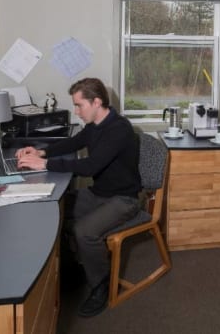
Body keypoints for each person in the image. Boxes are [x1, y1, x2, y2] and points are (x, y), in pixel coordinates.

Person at [16, 77, 141, 317]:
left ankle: (101, 285)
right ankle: (76, 267)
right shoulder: (95, 125)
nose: (76, 111)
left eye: (79, 105)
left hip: (124, 199)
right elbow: (74, 142)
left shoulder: (119, 129)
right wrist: (42, 150)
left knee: (85, 231)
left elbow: (91, 166)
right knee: (56, 211)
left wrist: (44, 163)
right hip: (100, 193)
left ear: (96, 102)